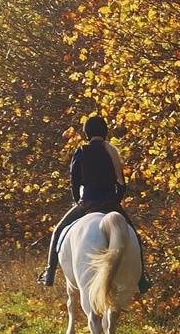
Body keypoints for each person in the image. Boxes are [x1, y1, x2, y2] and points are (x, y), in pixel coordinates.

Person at [39, 115, 149, 292]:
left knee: (59, 230)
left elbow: (74, 181)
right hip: (111, 203)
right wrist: (115, 201)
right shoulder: (112, 152)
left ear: (87, 133)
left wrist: (78, 201)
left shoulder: (81, 151)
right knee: (133, 234)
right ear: (105, 133)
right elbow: (121, 184)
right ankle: (142, 278)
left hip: (88, 202)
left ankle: (49, 272)